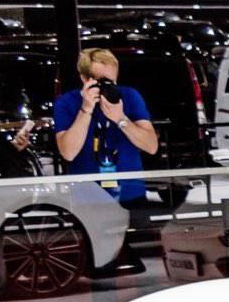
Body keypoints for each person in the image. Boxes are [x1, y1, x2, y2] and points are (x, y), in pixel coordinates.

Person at [53, 48, 160, 207]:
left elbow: (151, 146)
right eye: (101, 82)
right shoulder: (66, 102)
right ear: (84, 79)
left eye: (112, 82)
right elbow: (68, 153)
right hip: (88, 199)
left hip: (131, 194)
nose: (107, 87)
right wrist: (85, 110)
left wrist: (121, 119)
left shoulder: (129, 96)